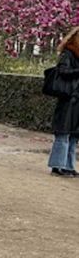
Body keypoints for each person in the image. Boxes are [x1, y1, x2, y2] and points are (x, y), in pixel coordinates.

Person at [47, 26, 79, 177]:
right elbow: (63, 71)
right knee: (64, 133)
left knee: (74, 135)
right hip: (69, 99)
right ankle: (57, 165)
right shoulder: (68, 53)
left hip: (76, 100)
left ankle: (68, 166)